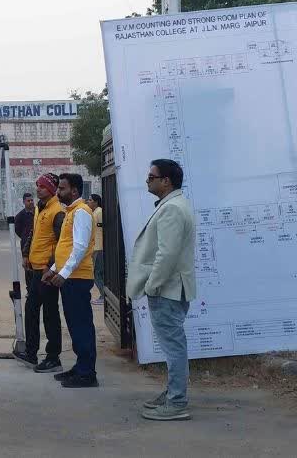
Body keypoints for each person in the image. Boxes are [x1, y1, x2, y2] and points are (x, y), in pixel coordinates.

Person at [129, 159, 197, 421]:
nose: (148, 180)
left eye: (151, 176)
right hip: (171, 287)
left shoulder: (172, 209)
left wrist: (152, 286)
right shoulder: (175, 205)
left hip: (167, 289)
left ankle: (177, 401)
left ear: (166, 181)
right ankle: (172, 393)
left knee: (174, 346)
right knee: (173, 345)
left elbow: (167, 254)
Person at [44, 173, 98, 388]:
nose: (58, 193)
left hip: (77, 277)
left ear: (74, 191)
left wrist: (63, 273)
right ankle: (81, 366)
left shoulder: (82, 212)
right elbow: (66, 247)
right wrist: (54, 269)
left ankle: (87, 373)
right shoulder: (71, 211)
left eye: (62, 189)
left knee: (81, 325)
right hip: (69, 276)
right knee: (75, 326)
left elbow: (80, 247)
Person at [16, 173, 65, 372]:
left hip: (47, 272)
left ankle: (53, 357)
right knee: (31, 310)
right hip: (35, 269)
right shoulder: (39, 208)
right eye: (37, 185)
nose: (38, 189)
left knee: (50, 313)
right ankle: (31, 352)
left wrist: (51, 267)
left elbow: (62, 244)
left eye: (43, 186)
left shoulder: (57, 211)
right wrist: (26, 253)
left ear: (52, 189)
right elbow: (33, 234)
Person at [89, 194, 105, 305]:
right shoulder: (94, 212)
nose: (88, 202)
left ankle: (103, 296)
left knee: (96, 273)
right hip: (95, 247)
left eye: (90, 200)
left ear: (96, 202)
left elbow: (104, 226)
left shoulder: (99, 212)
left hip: (99, 247)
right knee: (98, 273)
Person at [13, 193, 35, 261]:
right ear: (24, 202)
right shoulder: (19, 216)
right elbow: (17, 230)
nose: (31, 202)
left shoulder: (39, 212)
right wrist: (25, 236)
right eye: (28, 201)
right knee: (28, 266)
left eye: (32, 200)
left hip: (38, 243)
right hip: (26, 245)